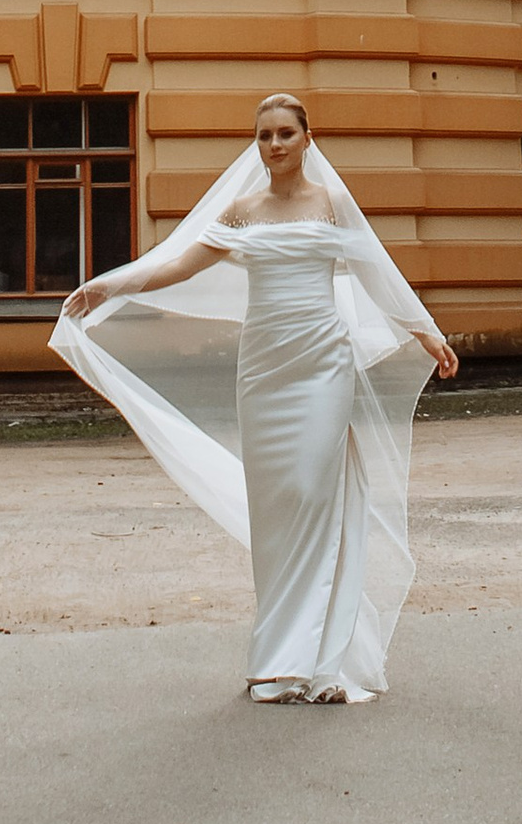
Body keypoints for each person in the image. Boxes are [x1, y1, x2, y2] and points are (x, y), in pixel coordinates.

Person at [55, 91, 460, 703]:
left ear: (307, 138)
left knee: (313, 491)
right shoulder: (242, 210)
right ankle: (279, 662)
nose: (274, 145)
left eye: (285, 134)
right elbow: (176, 265)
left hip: (323, 364)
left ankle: (325, 661)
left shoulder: (332, 203)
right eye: (265, 135)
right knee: (276, 511)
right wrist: (105, 286)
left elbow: (377, 270)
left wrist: (426, 332)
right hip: (265, 372)